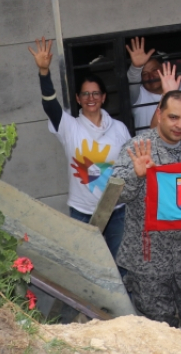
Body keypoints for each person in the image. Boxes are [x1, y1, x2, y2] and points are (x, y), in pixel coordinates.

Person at [110, 90, 181, 334]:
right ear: (159, 114)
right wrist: (137, 175)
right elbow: (116, 195)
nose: (179, 125)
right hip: (149, 260)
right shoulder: (138, 146)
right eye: (173, 117)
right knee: (160, 334)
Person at [30, 38, 131, 258]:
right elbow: (50, 106)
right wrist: (44, 72)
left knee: (121, 267)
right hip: (82, 212)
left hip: (117, 210)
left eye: (95, 93)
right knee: (87, 267)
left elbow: (131, 166)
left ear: (104, 98)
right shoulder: (69, 126)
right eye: (85, 94)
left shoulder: (119, 128)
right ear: (78, 98)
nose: (90, 98)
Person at [126, 36, 166, 131]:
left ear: (164, 68)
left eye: (154, 70)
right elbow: (132, 80)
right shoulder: (138, 96)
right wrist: (136, 67)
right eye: (145, 74)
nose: (151, 77)